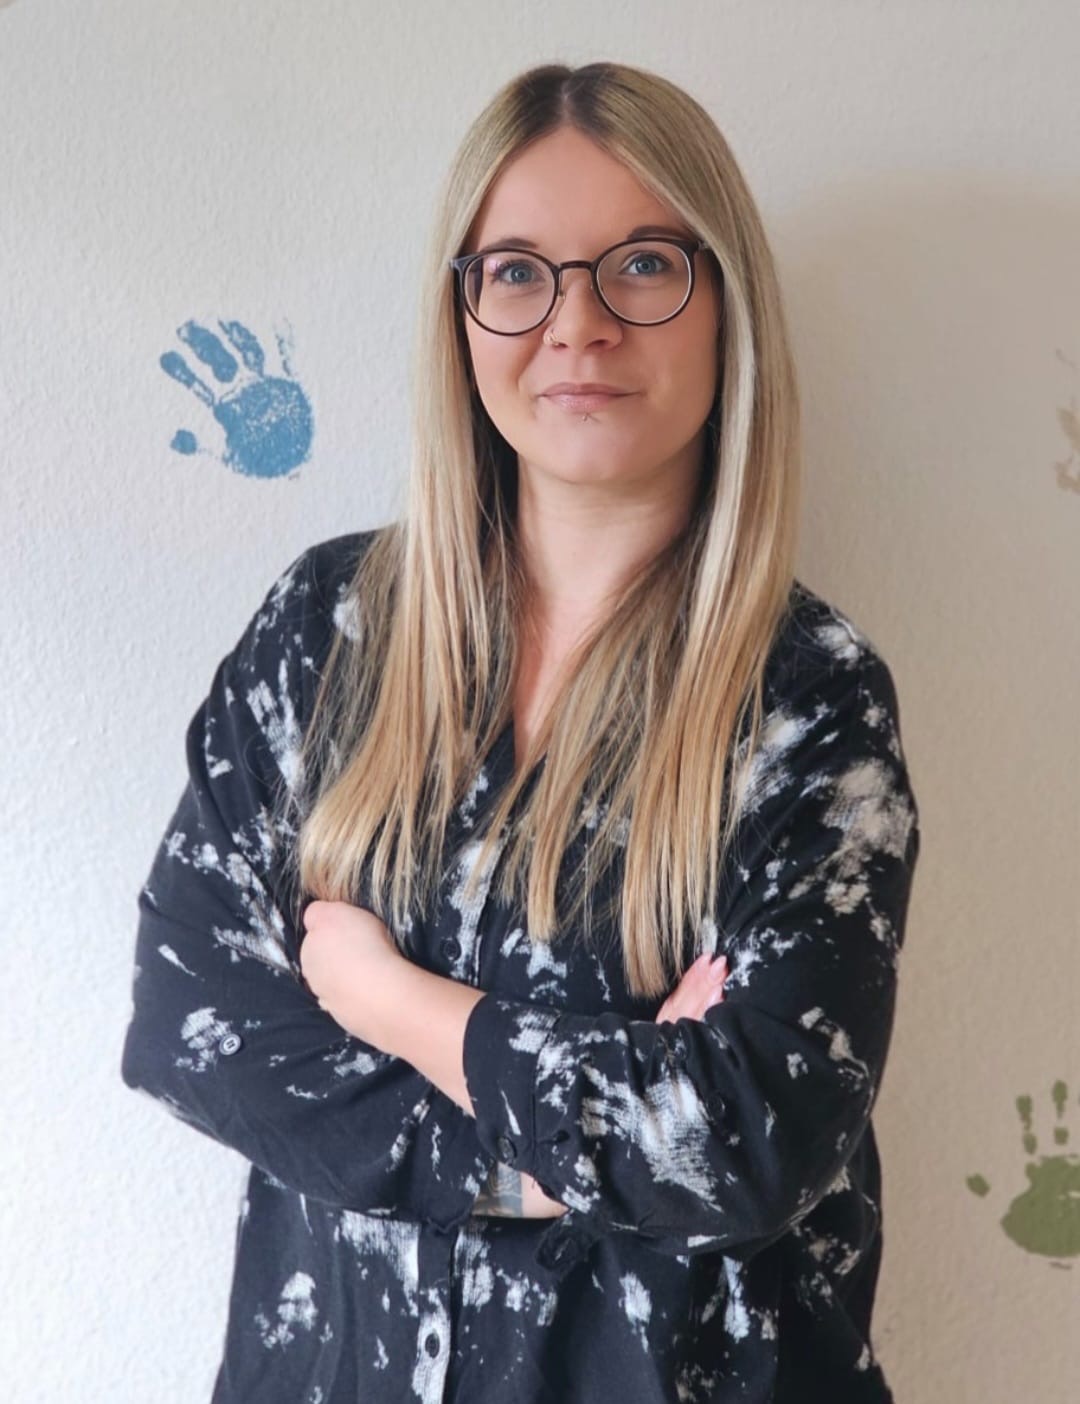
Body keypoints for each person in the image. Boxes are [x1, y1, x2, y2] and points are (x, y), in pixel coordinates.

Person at [120, 59, 920, 1404]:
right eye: (518, 272)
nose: (579, 325)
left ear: (726, 304)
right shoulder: (326, 631)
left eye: (644, 265)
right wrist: (567, 1146)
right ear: (463, 312)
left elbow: (749, 1140)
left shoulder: (809, 699)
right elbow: (192, 1023)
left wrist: (393, 1003)